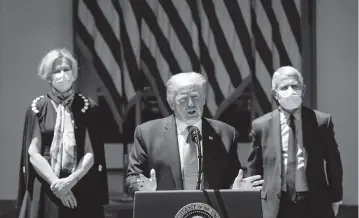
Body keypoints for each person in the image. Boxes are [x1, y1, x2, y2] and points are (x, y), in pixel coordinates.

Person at [125, 72, 263, 195]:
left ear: (203, 99)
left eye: (195, 97)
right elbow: (132, 178)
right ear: (172, 103)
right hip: (166, 211)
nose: (191, 104)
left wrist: (237, 189)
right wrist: (142, 188)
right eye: (183, 99)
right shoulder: (147, 133)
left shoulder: (226, 133)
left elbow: (231, 178)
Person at [17, 48, 109, 218]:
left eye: (66, 69)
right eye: (56, 71)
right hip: (46, 184)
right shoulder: (37, 108)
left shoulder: (88, 107)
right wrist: (58, 185)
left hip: (80, 183)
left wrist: (70, 181)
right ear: (48, 77)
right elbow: (33, 153)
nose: (62, 74)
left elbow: (90, 152)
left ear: (73, 74)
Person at [247, 66, 343, 218]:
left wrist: (336, 197)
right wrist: (252, 201)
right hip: (275, 205)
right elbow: (254, 169)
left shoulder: (321, 122)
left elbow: (334, 162)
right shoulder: (261, 126)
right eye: (284, 87)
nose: (290, 91)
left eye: (295, 86)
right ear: (275, 93)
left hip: (314, 203)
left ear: (303, 90)